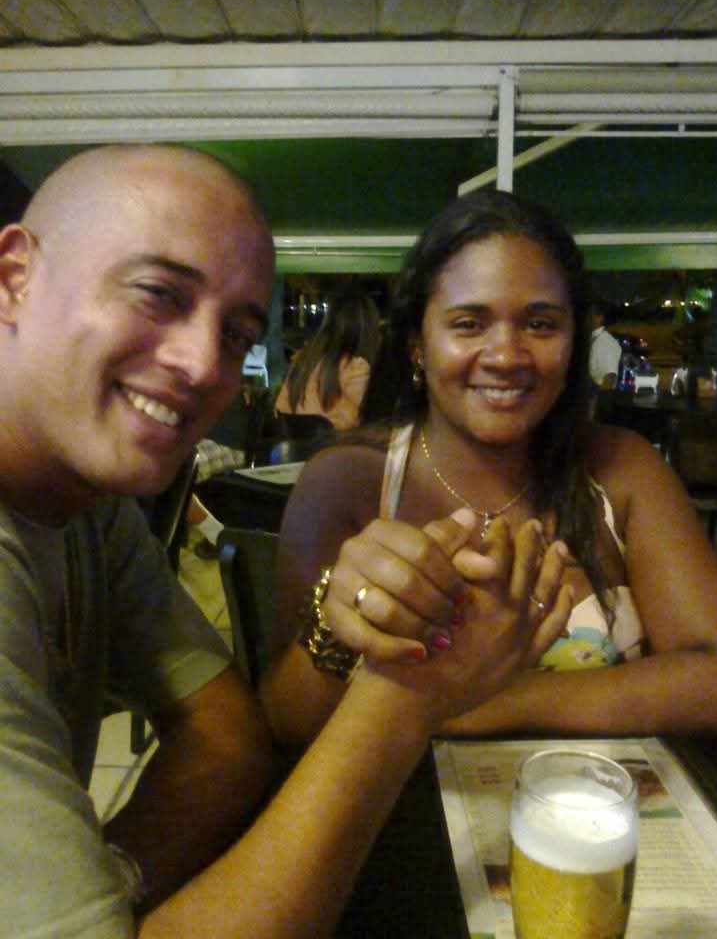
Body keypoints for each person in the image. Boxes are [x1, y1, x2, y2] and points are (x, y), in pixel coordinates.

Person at [0, 144, 571, 939]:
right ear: (14, 278)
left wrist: (107, 888)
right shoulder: (347, 475)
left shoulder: (88, 506)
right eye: (158, 294)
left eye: (237, 334)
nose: (204, 365)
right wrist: (409, 692)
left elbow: (229, 739)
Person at [260, 187, 717, 748]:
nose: (505, 356)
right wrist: (336, 622)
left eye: (540, 324)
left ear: (573, 342)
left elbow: (711, 676)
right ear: (417, 344)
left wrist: (483, 703)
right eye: (469, 324)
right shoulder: (346, 483)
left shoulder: (623, 470)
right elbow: (284, 725)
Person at [275, 290, 380, 430]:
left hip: (293, 443)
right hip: (338, 443)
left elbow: (279, 411)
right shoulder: (356, 367)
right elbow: (368, 423)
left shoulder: (302, 363)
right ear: (369, 328)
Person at [589, 298, 622, 389]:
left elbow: (609, 378)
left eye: (589, 315)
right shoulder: (591, 340)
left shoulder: (606, 343)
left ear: (599, 318)